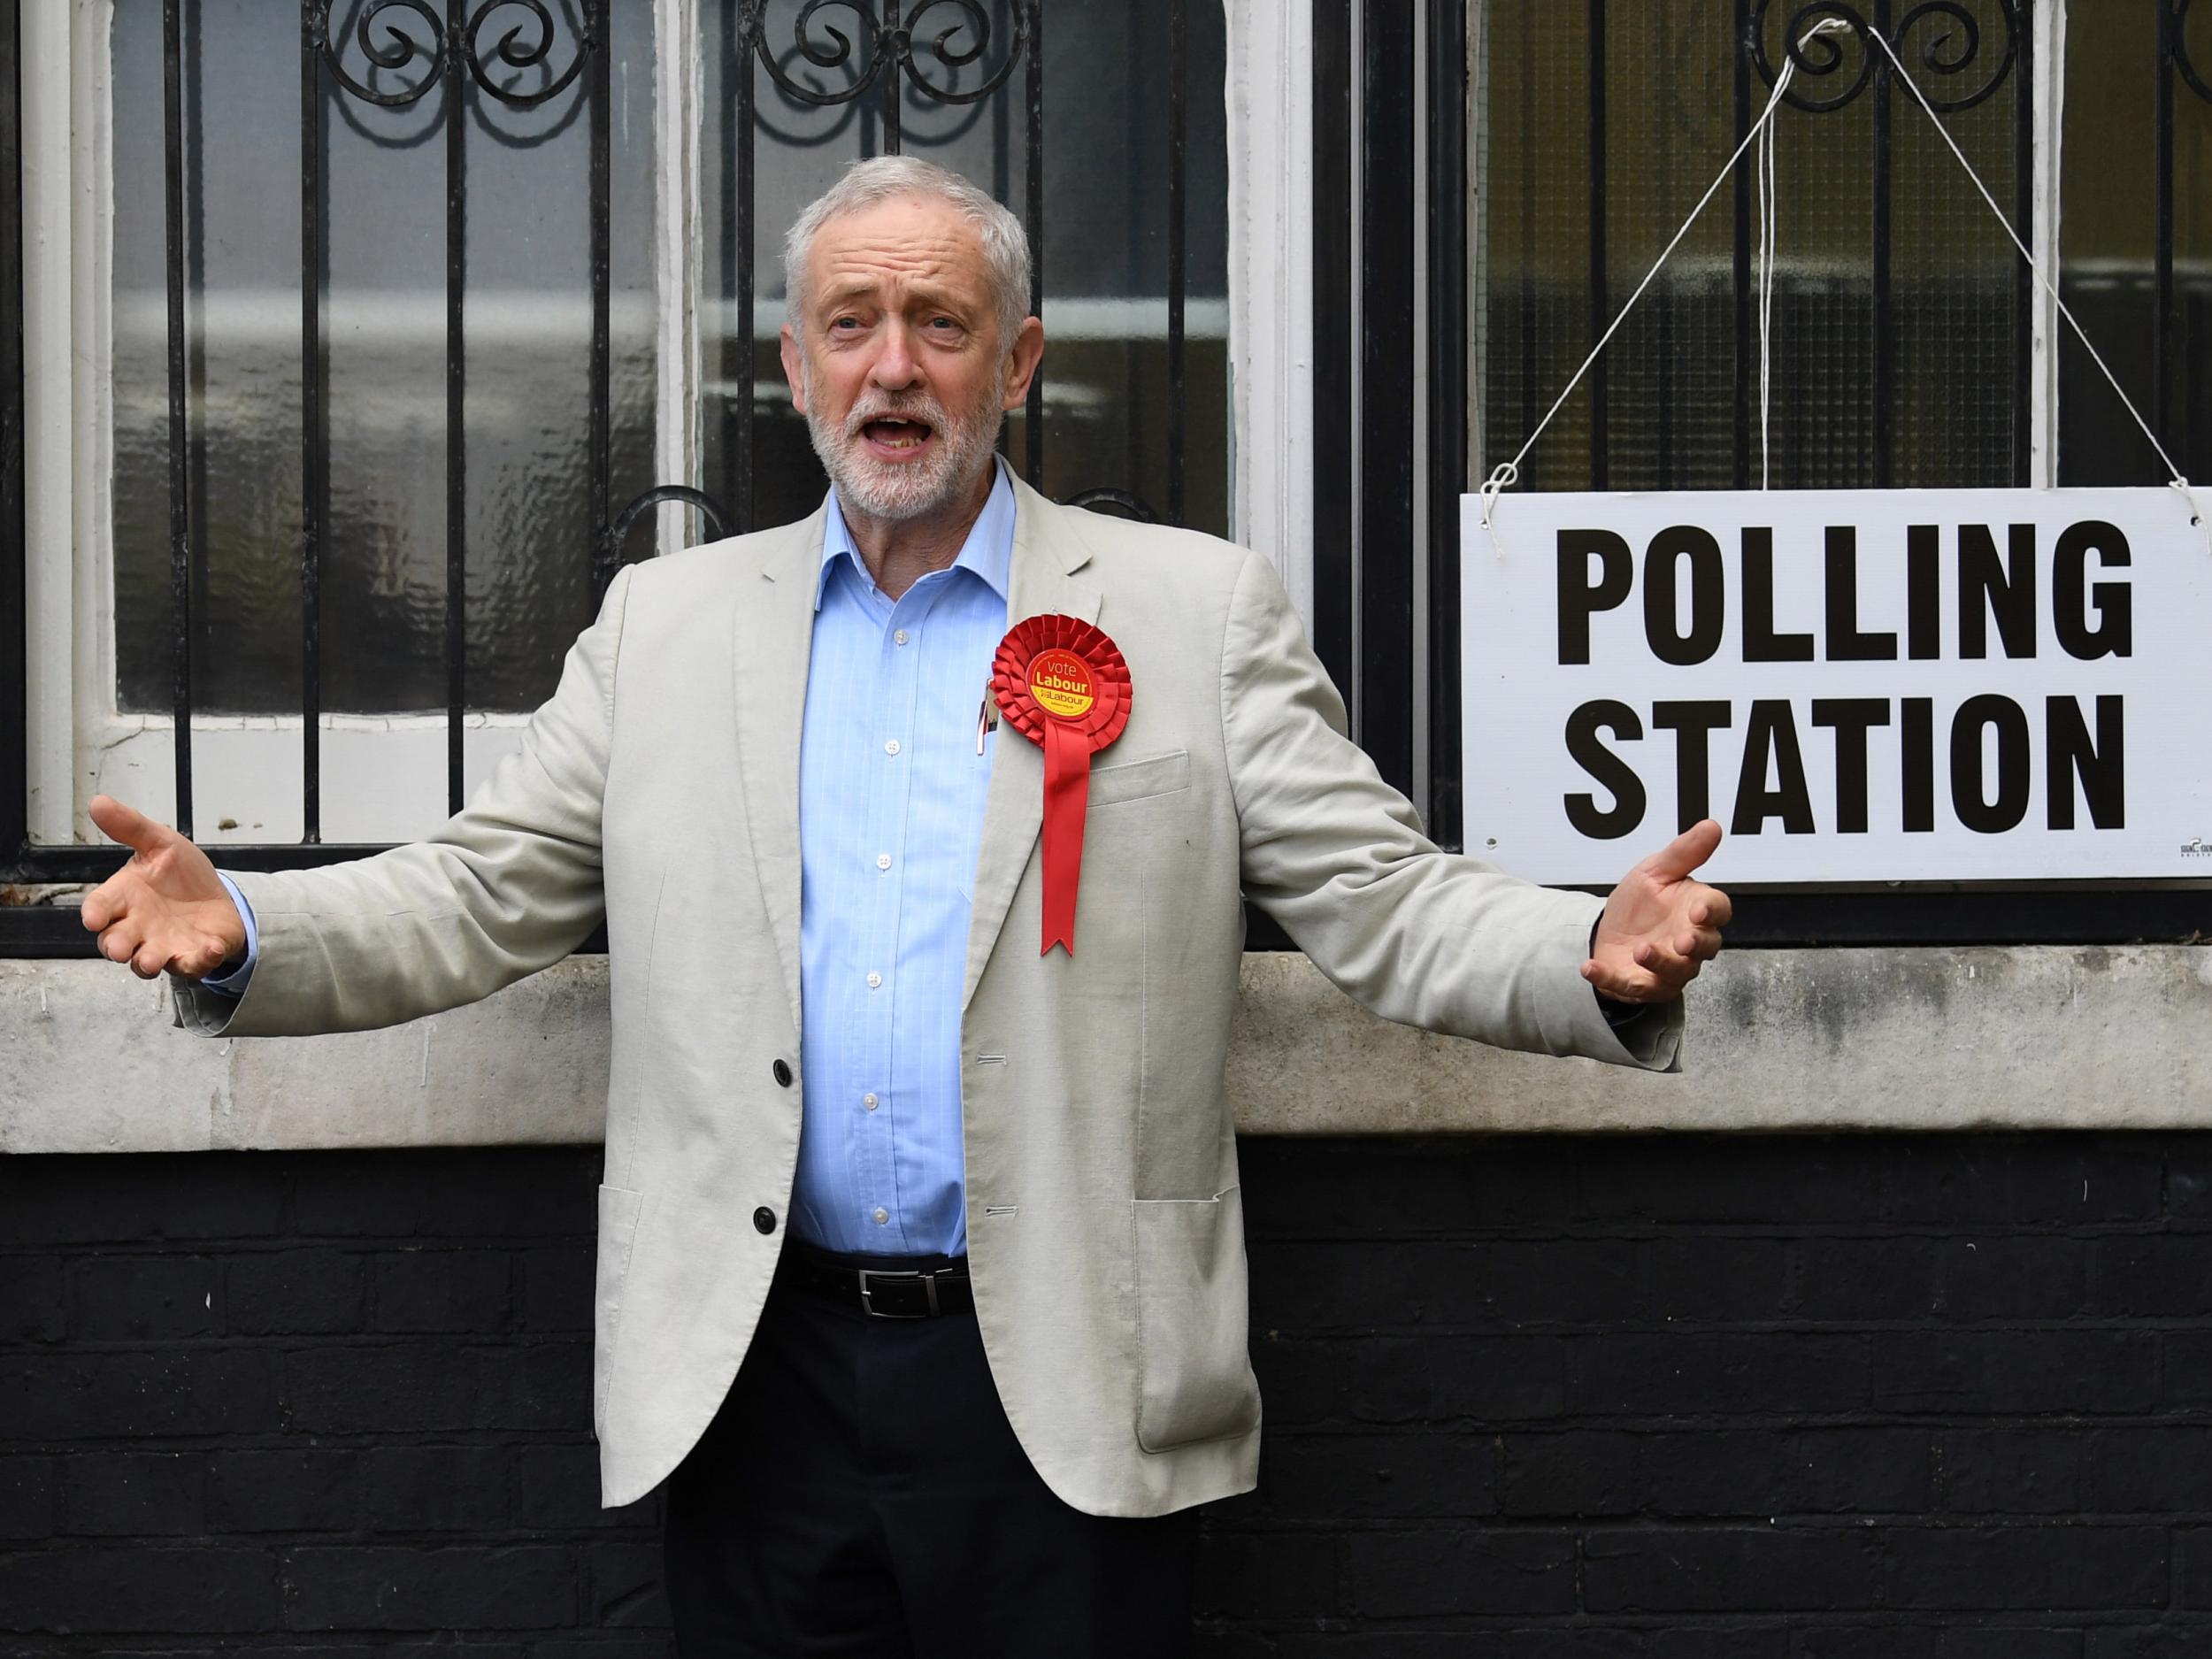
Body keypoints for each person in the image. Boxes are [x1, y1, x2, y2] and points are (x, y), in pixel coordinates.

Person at [81, 156, 1730, 1655]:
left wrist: (1582, 950)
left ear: (1015, 363)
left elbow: (1377, 892)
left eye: (940, 323)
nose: (893, 366)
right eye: (850, 323)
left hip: (1067, 1371)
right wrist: (253, 933)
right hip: (755, 1379)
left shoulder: (1191, 610)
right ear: (797, 368)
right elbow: (477, 888)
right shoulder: (664, 628)